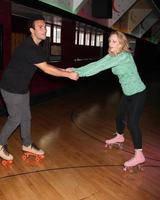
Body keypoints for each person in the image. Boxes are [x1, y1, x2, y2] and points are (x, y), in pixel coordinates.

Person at [0, 15, 78, 162]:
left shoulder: (36, 47)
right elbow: (46, 69)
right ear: (32, 30)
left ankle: (27, 144)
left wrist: (65, 71)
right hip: (11, 88)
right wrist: (67, 76)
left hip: (21, 87)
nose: (44, 30)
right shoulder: (29, 48)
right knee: (15, 117)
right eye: (40, 27)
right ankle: (0, 143)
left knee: (26, 117)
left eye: (45, 27)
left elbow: (47, 64)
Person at [68, 31, 146, 171]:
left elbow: (99, 68)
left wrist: (78, 73)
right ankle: (119, 136)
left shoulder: (124, 56)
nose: (110, 44)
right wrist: (75, 69)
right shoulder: (112, 55)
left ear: (121, 43)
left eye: (114, 41)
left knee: (133, 123)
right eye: (110, 41)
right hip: (127, 93)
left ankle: (139, 154)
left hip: (138, 93)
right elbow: (97, 63)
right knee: (119, 117)